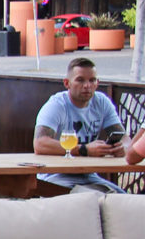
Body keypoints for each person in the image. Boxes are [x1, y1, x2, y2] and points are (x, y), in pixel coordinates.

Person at [33, 57, 126, 193]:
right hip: (55, 175)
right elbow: (40, 144)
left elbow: (125, 139)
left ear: (97, 83)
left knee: (122, 199)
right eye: (80, 80)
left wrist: (122, 148)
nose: (87, 85)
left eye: (92, 80)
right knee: (90, 200)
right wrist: (84, 149)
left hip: (89, 175)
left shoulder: (102, 102)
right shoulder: (57, 105)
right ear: (67, 83)